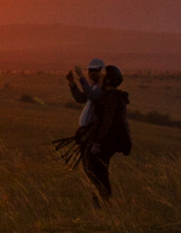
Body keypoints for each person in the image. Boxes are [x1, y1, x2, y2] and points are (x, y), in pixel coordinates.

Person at [54, 58, 133, 201]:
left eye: (97, 71)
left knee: (97, 171)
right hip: (91, 136)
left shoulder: (105, 94)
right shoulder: (98, 89)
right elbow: (82, 98)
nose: (93, 74)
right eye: (90, 71)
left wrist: (81, 77)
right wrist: (73, 83)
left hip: (98, 140)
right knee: (92, 170)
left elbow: (103, 116)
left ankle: (102, 201)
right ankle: (101, 201)